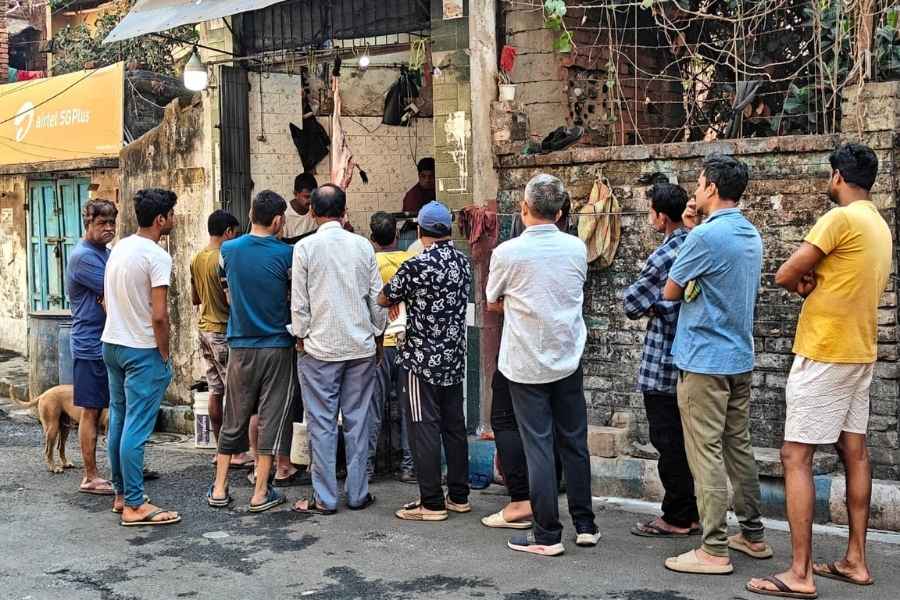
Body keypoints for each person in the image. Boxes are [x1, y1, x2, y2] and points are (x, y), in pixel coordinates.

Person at [748, 143, 891, 598]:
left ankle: (800, 573)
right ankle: (855, 560)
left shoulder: (840, 219)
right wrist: (816, 280)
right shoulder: (878, 223)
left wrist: (804, 283)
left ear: (836, 177)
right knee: (856, 453)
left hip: (826, 350)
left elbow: (787, 274)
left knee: (796, 457)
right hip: (859, 350)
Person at [662, 154, 770, 574]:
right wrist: (694, 231)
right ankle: (753, 534)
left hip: (704, 359)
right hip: (738, 357)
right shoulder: (748, 233)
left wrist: (692, 236)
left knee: (704, 452)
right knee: (736, 446)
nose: (695, 189)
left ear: (710, 188)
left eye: (700, 182)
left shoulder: (704, 238)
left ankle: (714, 547)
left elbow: (672, 290)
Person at [486, 175, 599, 556]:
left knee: (538, 445)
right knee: (574, 441)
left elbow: (492, 300)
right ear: (563, 212)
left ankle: (547, 533)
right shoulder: (576, 248)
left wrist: (520, 305)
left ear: (523, 208)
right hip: (567, 355)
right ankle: (585, 524)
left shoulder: (507, 252)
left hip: (525, 362)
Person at [291, 184, 386, 515]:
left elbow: (299, 303)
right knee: (358, 421)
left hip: (320, 348)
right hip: (359, 346)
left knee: (322, 423)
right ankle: (358, 493)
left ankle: (325, 498)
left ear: (313, 213)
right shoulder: (362, 246)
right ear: (345, 211)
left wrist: (301, 336)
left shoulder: (305, 248)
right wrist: (378, 334)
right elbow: (378, 298)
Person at [378, 201, 472, 522]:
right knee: (454, 427)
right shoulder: (462, 263)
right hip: (453, 357)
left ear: (419, 231)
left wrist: (399, 298)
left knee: (423, 428)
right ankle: (458, 495)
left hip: (420, 360)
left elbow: (383, 296)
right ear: (448, 229)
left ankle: (431, 502)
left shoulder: (417, 265)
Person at [208, 191, 296, 513]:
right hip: (276, 345)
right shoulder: (287, 254)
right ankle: (260, 492)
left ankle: (219, 487)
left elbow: (225, 287)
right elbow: (292, 296)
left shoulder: (228, 249)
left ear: (249, 214)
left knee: (235, 414)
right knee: (272, 416)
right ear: (277, 221)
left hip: (240, 345)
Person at [623, 183, 700, 538]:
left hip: (662, 362)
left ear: (660, 215)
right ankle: (690, 512)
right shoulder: (698, 243)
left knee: (667, 442)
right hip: (691, 360)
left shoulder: (666, 254)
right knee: (686, 443)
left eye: (651, 210)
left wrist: (659, 305)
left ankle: (677, 516)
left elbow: (632, 302)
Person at [102, 188, 180, 526]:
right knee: (136, 426)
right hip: (140, 348)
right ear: (161, 219)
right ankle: (134, 504)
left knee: (120, 419)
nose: (175, 219)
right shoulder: (156, 255)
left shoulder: (119, 247)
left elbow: (107, 300)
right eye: (172, 214)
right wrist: (163, 351)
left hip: (112, 343)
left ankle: (122, 495)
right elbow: (160, 315)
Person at [190, 210, 254, 469]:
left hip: (204, 329)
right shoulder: (224, 258)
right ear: (228, 231)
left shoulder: (197, 258)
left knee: (215, 389)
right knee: (237, 394)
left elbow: (195, 298)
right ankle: (236, 452)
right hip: (223, 330)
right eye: (235, 233)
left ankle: (220, 450)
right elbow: (231, 299)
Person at [66, 198, 118, 496]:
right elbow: (116, 291)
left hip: (107, 340)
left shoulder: (104, 253)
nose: (108, 228)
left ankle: (120, 469)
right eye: (102, 224)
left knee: (114, 407)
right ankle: (90, 475)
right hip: (90, 344)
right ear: (89, 224)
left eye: (112, 223)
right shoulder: (84, 257)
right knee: (91, 411)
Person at [368, 212, 416, 483]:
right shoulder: (410, 260)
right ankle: (409, 466)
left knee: (373, 409)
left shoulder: (370, 263)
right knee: (410, 408)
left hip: (379, 345)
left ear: (372, 239)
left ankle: (367, 467)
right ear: (397, 236)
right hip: (406, 343)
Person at [282, 173, 318, 242]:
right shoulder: (284, 215)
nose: (311, 200)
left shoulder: (317, 210)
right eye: (307, 197)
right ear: (295, 194)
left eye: (314, 196)